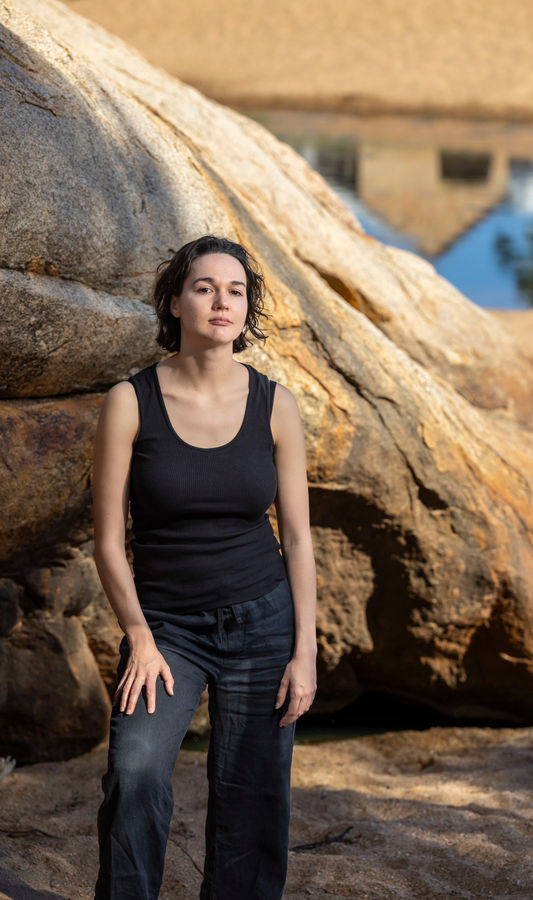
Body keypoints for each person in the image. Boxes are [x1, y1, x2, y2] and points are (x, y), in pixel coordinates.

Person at [91, 234, 318, 899]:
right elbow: (107, 540)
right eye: (204, 287)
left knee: (251, 798)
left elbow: (299, 539)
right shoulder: (130, 402)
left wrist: (304, 651)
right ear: (174, 301)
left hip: (264, 624)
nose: (223, 300)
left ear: (247, 310)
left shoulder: (275, 404)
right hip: (166, 630)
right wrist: (139, 636)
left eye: (237, 290)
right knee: (134, 772)